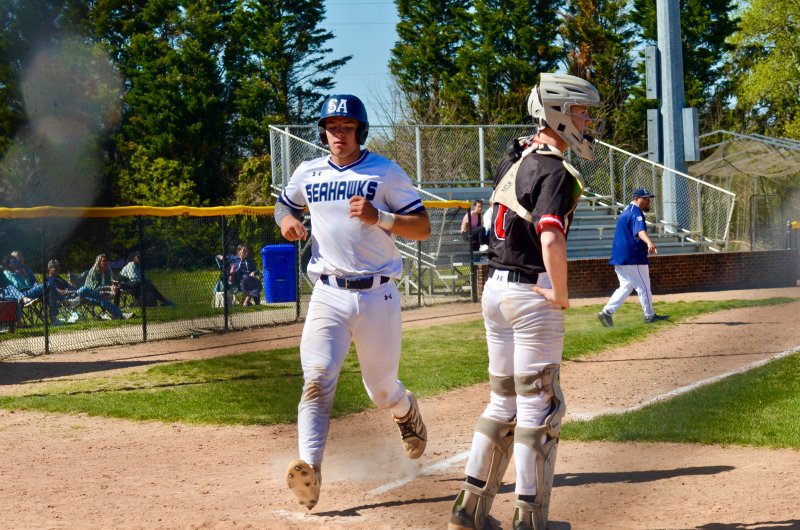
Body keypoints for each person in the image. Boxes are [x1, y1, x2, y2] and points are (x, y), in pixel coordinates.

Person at [448, 73, 605, 530]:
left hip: (495, 289)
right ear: (558, 112)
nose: (587, 120)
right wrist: (560, 292)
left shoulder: (513, 159)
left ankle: (469, 508)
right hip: (530, 292)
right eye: (580, 111)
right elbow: (551, 235)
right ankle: (530, 518)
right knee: (541, 408)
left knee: (502, 403)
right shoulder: (555, 170)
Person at [276, 94, 431, 511]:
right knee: (317, 378)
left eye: (346, 127)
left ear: (360, 131)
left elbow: (422, 227)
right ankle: (310, 470)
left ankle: (405, 411)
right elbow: (285, 205)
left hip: (377, 294)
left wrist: (378, 217)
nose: (338, 134)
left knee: (380, 390)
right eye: (331, 126)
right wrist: (287, 220)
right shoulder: (308, 171)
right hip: (327, 293)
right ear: (323, 132)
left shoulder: (385, 172)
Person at [597, 188, 669, 327]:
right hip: (632, 257)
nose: (648, 201)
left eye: (649, 199)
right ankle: (649, 316)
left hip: (623, 256)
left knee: (626, 286)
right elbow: (640, 231)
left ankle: (606, 312)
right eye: (645, 198)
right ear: (637, 199)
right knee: (643, 286)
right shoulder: (635, 212)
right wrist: (649, 242)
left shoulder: (627, 210)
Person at [44, 259, 128, 322]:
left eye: (59, 266)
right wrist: (69, 291)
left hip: (77, 295)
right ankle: (100, 293)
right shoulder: (49, 279)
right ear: (49, 269)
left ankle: (119, 314)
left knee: (101, 299)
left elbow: (71, 286)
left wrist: (74, 289)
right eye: (56, 267)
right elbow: (56, 291)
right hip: (68, 299)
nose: (58, 268)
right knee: (85, 288)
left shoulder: (59, 278)